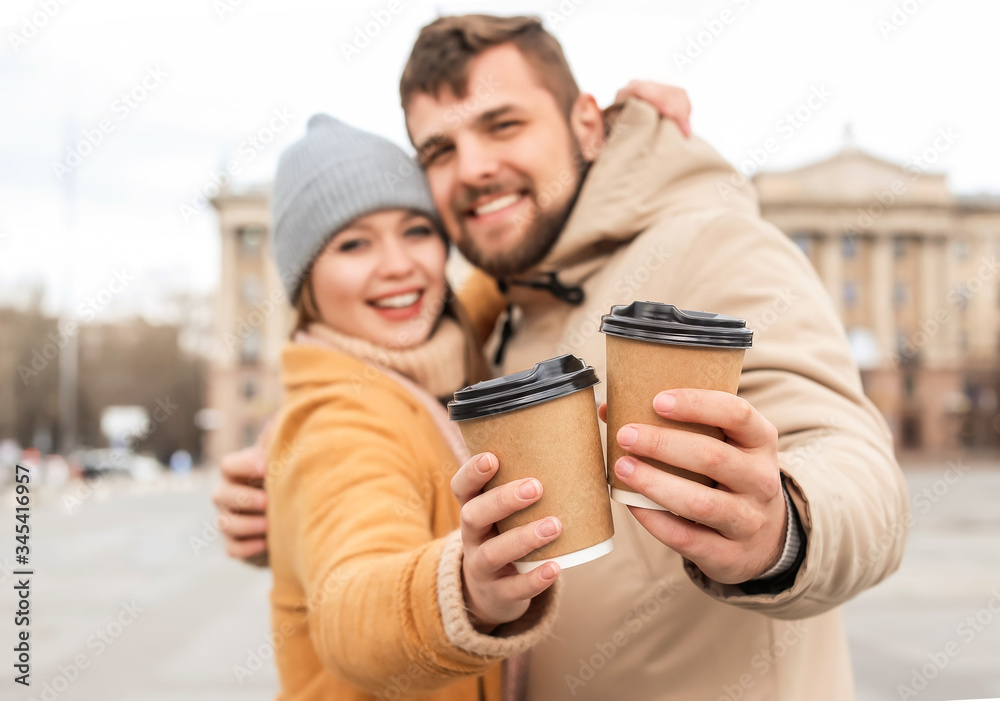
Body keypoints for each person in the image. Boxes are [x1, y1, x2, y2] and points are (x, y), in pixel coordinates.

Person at [218, 13, 910, 701]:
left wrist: (783, 527)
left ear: (586, 124)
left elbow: (853, 463)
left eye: (503, 125)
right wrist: (291, 490)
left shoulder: (710, 248)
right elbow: (374, 412)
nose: (475, 168)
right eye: (439, 150)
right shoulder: (505, 304)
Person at [261, 115, 564, 701]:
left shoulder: (432, 359)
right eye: (353, 243)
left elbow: (477, 294)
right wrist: (463, 589)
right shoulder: (337, 421)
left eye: (417, 231)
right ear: (306, 283)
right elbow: (349, 607)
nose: (400, 265)